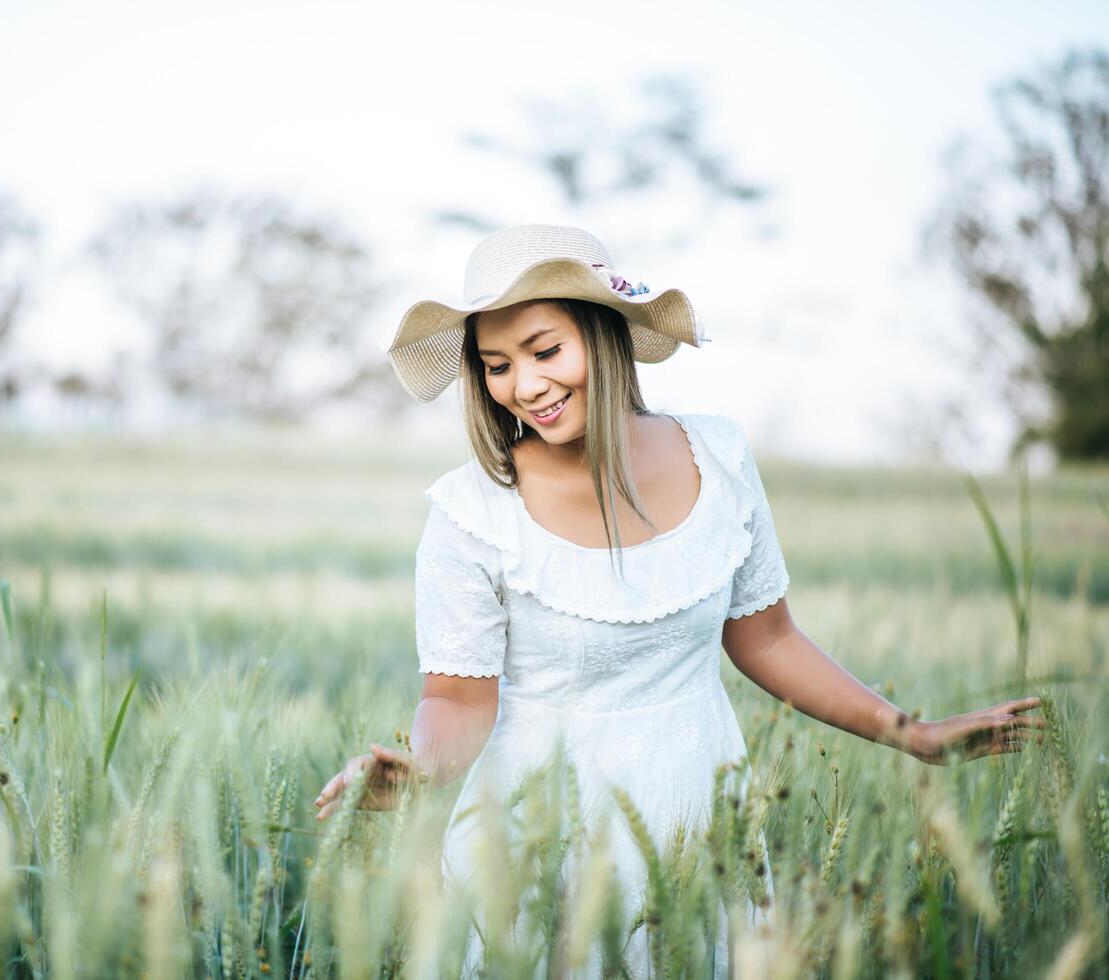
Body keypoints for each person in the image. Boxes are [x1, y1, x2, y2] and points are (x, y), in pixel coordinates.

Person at [312, 224, 1046, 977]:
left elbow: (767, 639)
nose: (523, 386)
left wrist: (911, 735)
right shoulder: (471, 513)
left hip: (697, 823)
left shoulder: (719, 457)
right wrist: (420, 766)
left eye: (543, 350)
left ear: (603, 336)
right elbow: (459, 701)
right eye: (496, 366)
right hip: (537, 838)